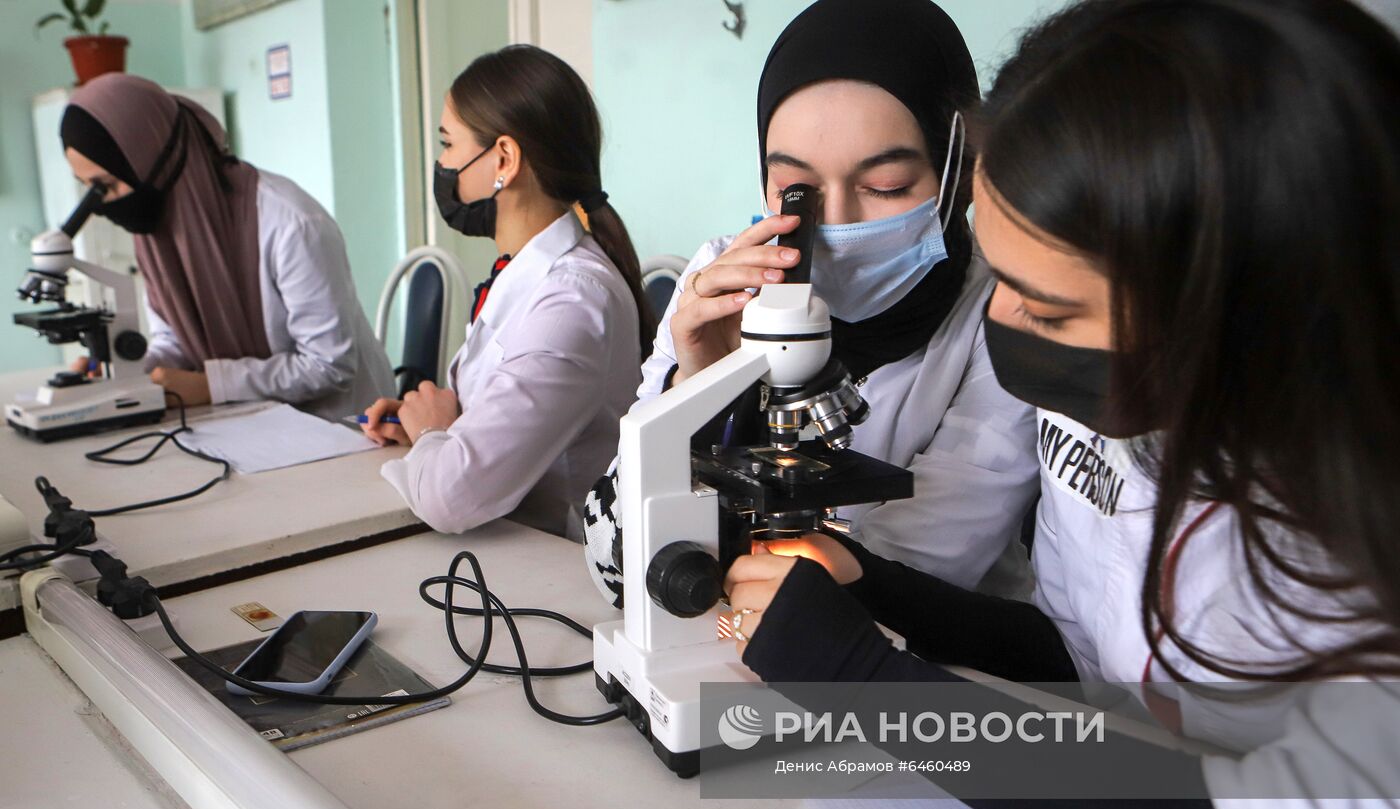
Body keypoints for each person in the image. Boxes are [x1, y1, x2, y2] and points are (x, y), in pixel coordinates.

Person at [724, 1, 1400, 809]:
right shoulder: (1104, 409)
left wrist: (868, 685)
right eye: (999, 277)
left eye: (1045, 308)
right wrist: (873, 587)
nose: (1001, 322)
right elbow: (1083, 654)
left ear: (1238, 305)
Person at [582, 0, 1041, 607]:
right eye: (796, 191)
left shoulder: (1003, 312)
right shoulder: (717, 281)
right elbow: (612, 551)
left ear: (956, 171)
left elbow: (923, 561)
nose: (836, 223)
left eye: (886, 187)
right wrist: (693, 389)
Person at [362, 46, 651, 540]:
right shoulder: (525, 271)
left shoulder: (573, 303)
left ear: (504, 159)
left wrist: (434, 435)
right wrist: (429, 423)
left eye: (448, 143)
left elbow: (450, 497)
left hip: (550, 574)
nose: (441, 162)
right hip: (506, 550)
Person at [60, 74, 393, 420]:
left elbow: (329, 366)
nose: (101, 206)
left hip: (342, 425)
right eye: (88, 189)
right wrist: (128, 372)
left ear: (150, 160)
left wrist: (211, 385)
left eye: (108, 186)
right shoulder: (158, 235)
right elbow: (175, 341)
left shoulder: (293, 224)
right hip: (248, 422)